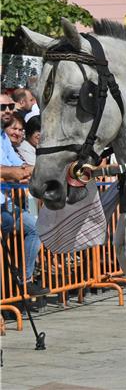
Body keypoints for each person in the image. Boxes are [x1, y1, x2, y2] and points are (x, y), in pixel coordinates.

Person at [1, 95, 48, 296]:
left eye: (11, 106)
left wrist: (20, 171)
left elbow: (18, 168)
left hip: (5, 204)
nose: (9, 110)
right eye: (3, 106)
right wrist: (15, 172)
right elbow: (11, 170)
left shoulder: (2, 137)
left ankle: (24, 279)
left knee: (35, 228)